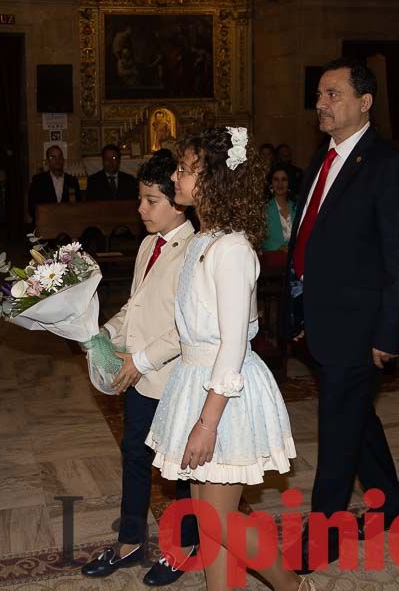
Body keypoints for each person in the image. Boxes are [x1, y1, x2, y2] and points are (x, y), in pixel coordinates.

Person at [145, 127, 305, 591]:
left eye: (185, 168)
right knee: (211, 518)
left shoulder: (231, 248)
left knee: (219, 522)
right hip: (196, 381)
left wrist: (207, 422)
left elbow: (233, 343)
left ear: (213, 178)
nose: (175, 176)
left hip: (224, 392)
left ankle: (292, 586)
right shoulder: (202, 239)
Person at [283, 57, 399, 572]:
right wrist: (297, 307)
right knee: (356, 417)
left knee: (338, 428)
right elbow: (309, 240)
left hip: (360, 324)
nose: (321, 104)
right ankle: (391, 497)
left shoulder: (389, 166)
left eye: (333, 94)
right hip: (320, 315)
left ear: (365, 102)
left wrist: (389, 331)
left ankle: (322, 536)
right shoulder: (321, 158)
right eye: (319, 95)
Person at [81, 152, 199, 587]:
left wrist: (140, 359)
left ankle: (186, 546)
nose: (140, 209)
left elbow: (186, 327)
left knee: (179, 469)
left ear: (178, 204)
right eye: (141, 199)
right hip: (138, 377)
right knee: (134, 456)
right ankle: (130, 540)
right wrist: (107, 332)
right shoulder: (149, 244)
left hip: (172, 378)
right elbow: (138, 304)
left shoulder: (194, 251)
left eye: (151, 200)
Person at [27, 144, 81, 222]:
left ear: (63, 160)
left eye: (60, 157)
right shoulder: (38, 181)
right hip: (45, 224)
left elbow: (78, 207)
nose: (57, 160)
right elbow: (32, 208)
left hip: (67, 224)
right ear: (47, 161)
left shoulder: (72, 181)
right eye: (53, 157)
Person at [262, 165, 299, 255]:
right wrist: (279, 247)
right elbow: (260, 240)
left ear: (289, 183)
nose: (280, 184)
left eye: (284, 179)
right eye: (276, 179)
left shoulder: (298, 206)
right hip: (274, 261)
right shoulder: (263, 208)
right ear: (271, 183)